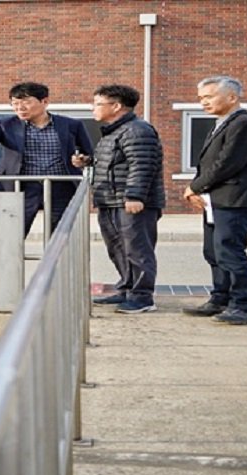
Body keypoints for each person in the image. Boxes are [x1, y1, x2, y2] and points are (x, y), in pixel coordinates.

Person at [0, 82, 93, 301]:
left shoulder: (70, 125)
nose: (20, 108)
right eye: (15, 104)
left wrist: (82, 160)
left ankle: (57, 287)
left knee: (61, 240)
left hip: (61, 189)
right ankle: (0, 286)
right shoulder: (6, 125)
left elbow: (88, 154)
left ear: (45, 101)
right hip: (19, 189)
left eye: (25, 102)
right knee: (8, 239)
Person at [182, 76, 247, 325]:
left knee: (230, 251)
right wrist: (201, 191)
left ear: (232, 97)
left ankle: (245, 306)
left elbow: (227, 164)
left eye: (208, 97)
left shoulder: (245, 124)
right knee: (213, 251)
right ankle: (221, 298)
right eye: (200, 99)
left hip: (236, 199)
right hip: (216, 198)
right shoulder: (222, 123)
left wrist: (193, 187)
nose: (203, 103)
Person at [74, 85, 164, 314]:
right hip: (111, 199)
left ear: (116, 106)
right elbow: (117, 161)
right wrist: (89, 161)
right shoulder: (114, 131)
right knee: (118, 248)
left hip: (130, 202)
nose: (92, 108)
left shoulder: (137, 130)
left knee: (137, 249)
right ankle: (127, 289)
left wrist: (134, 195)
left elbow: (142, 165)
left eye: (97, 104)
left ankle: (142, 297)